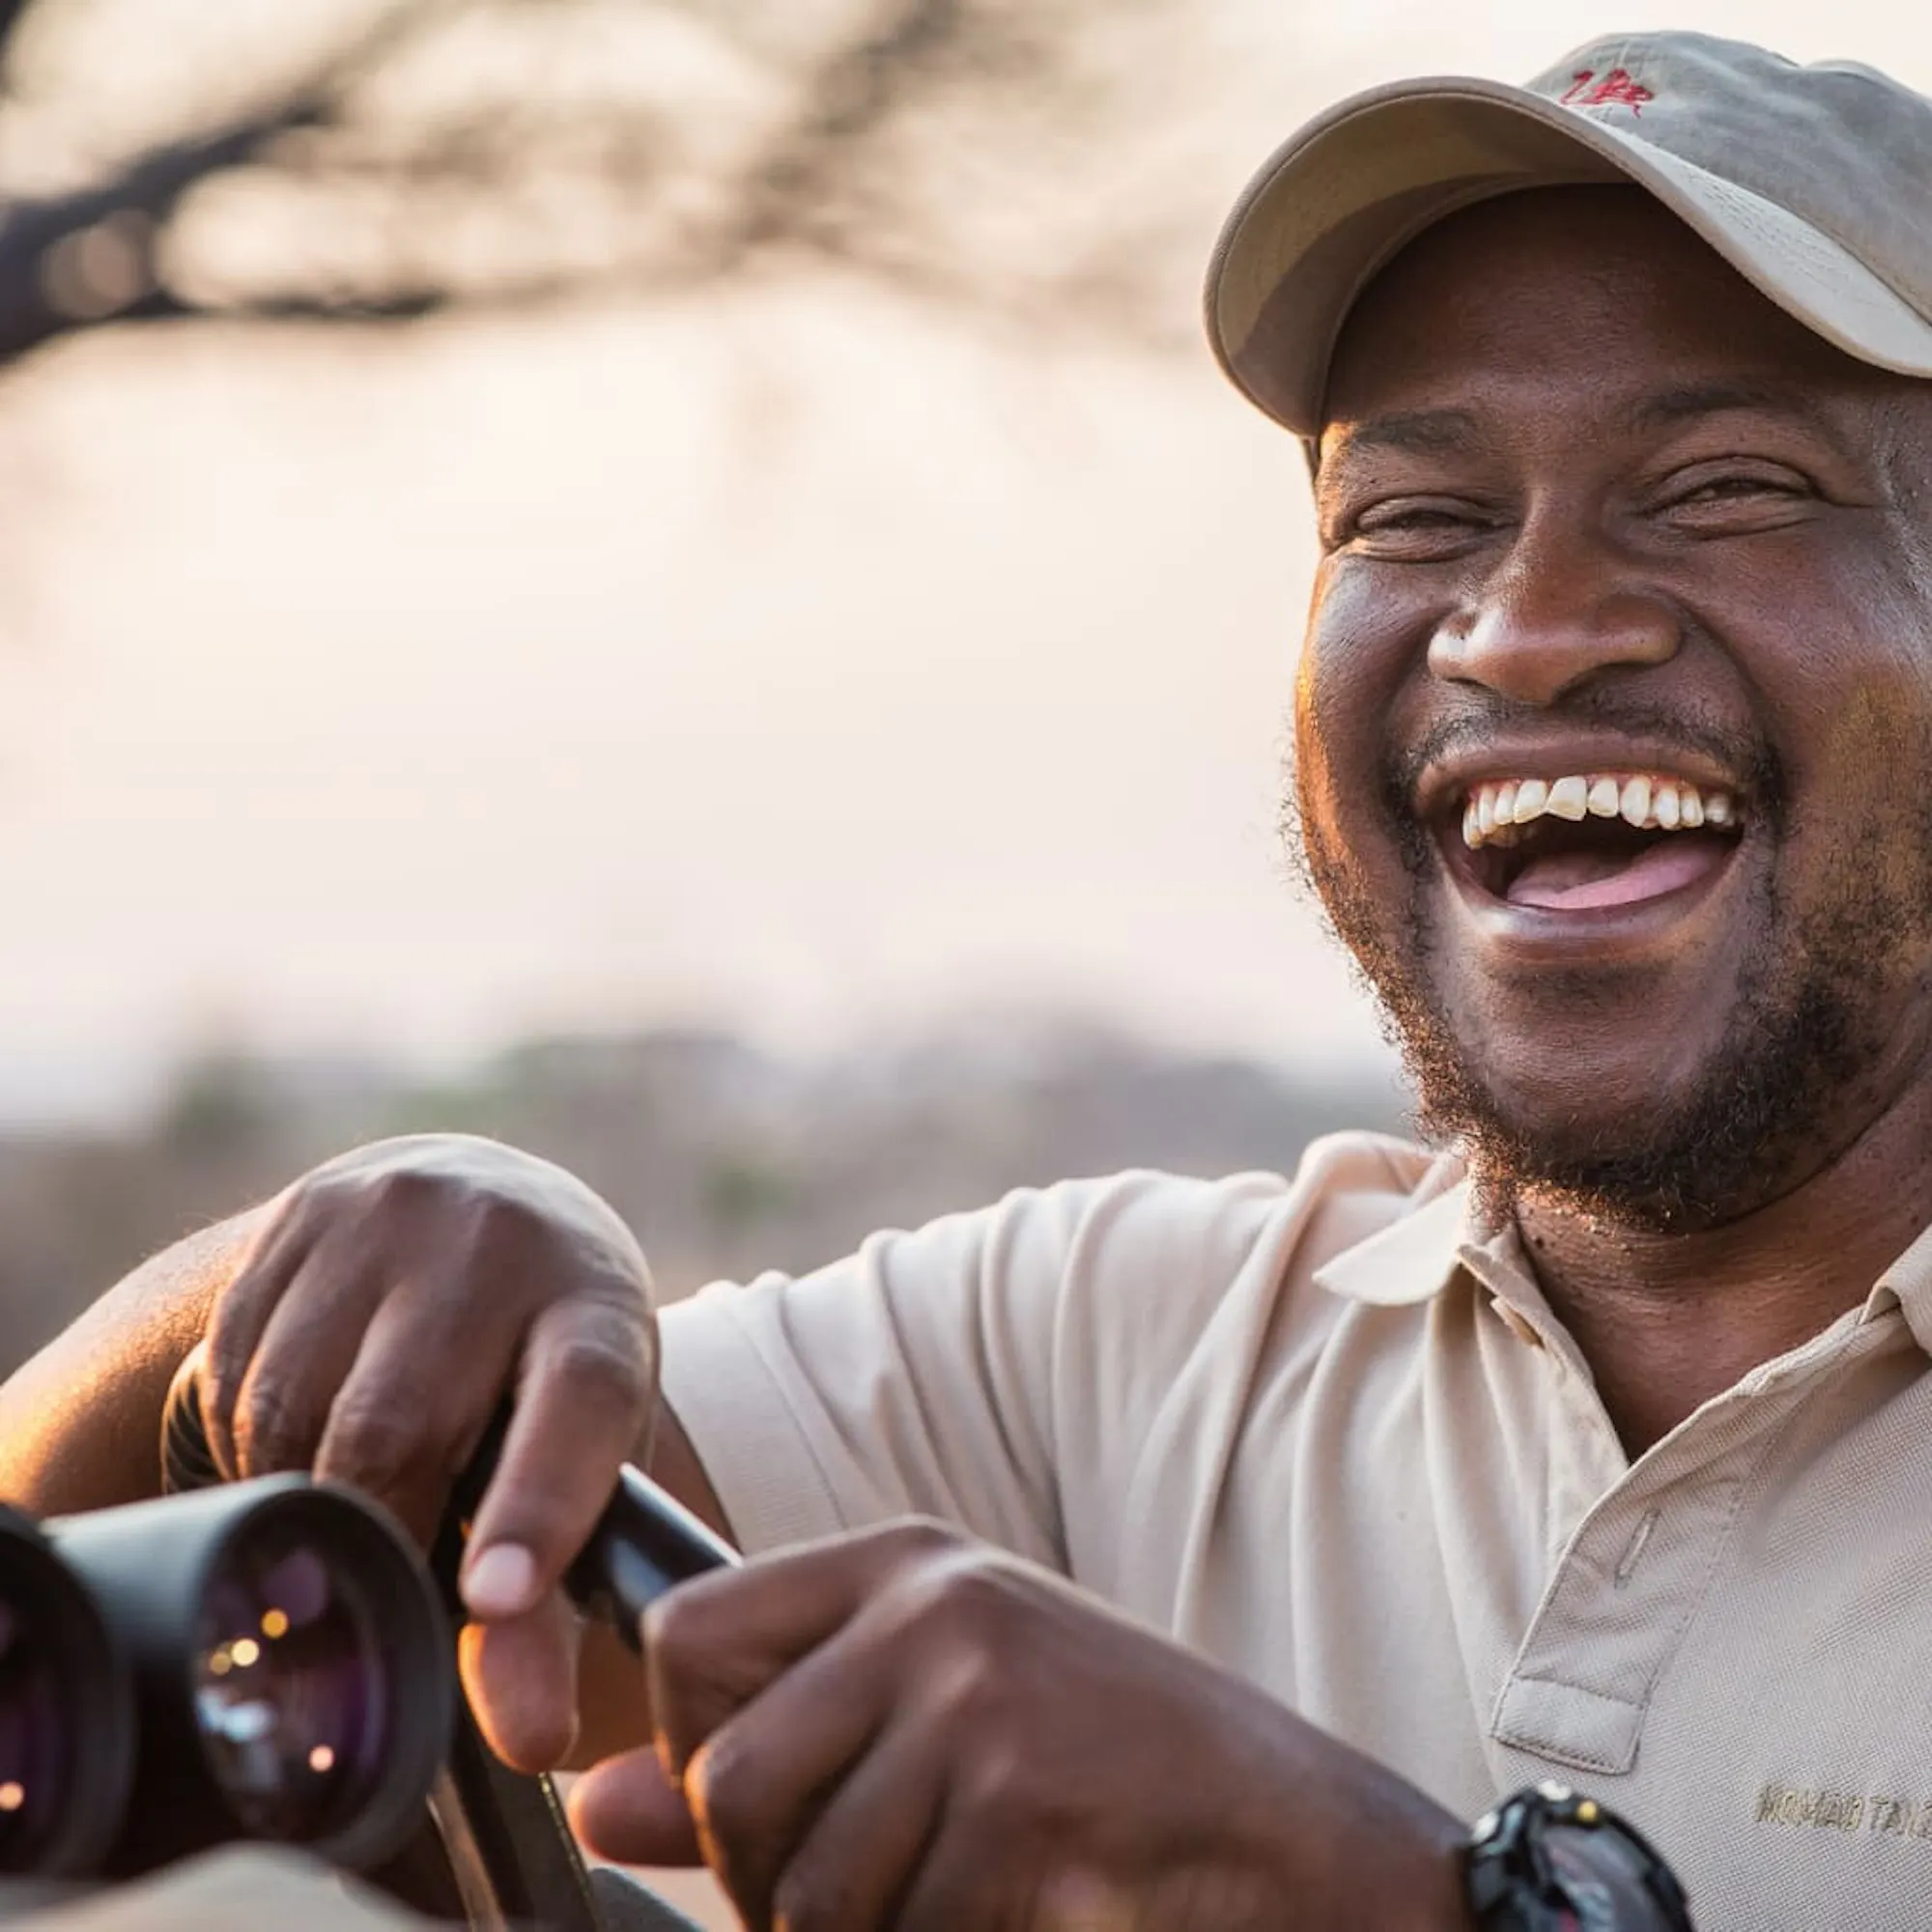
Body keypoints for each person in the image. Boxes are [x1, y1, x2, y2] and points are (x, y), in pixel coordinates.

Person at [6, 23, 1932, 1928]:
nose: (1521, 629)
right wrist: (348, 1257)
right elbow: (83, 1583)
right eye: (1410, 515)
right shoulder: (1111, 1351)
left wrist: (1390, 1899)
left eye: (1724, 489)